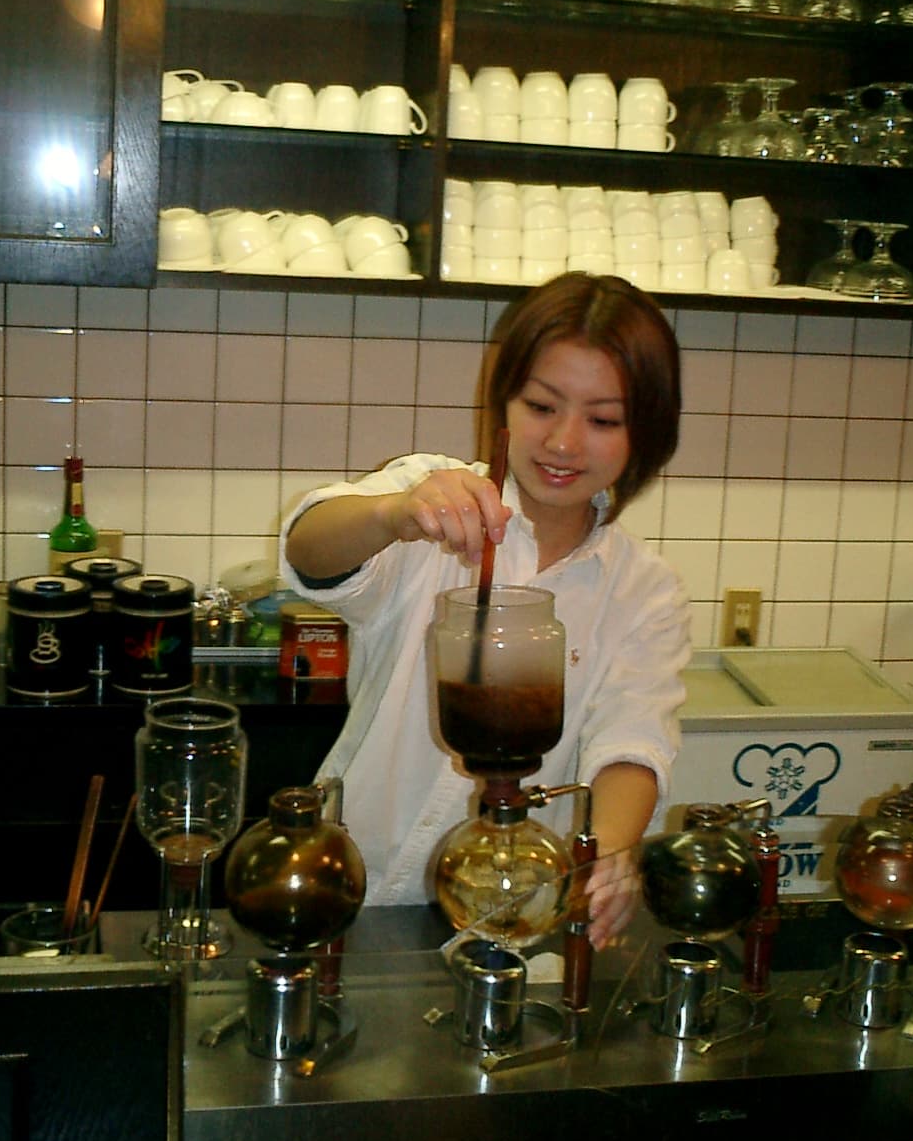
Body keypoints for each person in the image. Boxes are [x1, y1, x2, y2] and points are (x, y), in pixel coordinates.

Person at [277, 272, 691, 947]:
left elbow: (632, 740)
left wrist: (608, 851)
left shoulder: (644, 590)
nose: (563, 442)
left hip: (513, 918)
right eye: (541, 406)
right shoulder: (434, 498)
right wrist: (393, 515)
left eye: (603, 419)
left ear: (645, 433)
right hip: (350, 890)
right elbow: (309, 549)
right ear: (503, 403)